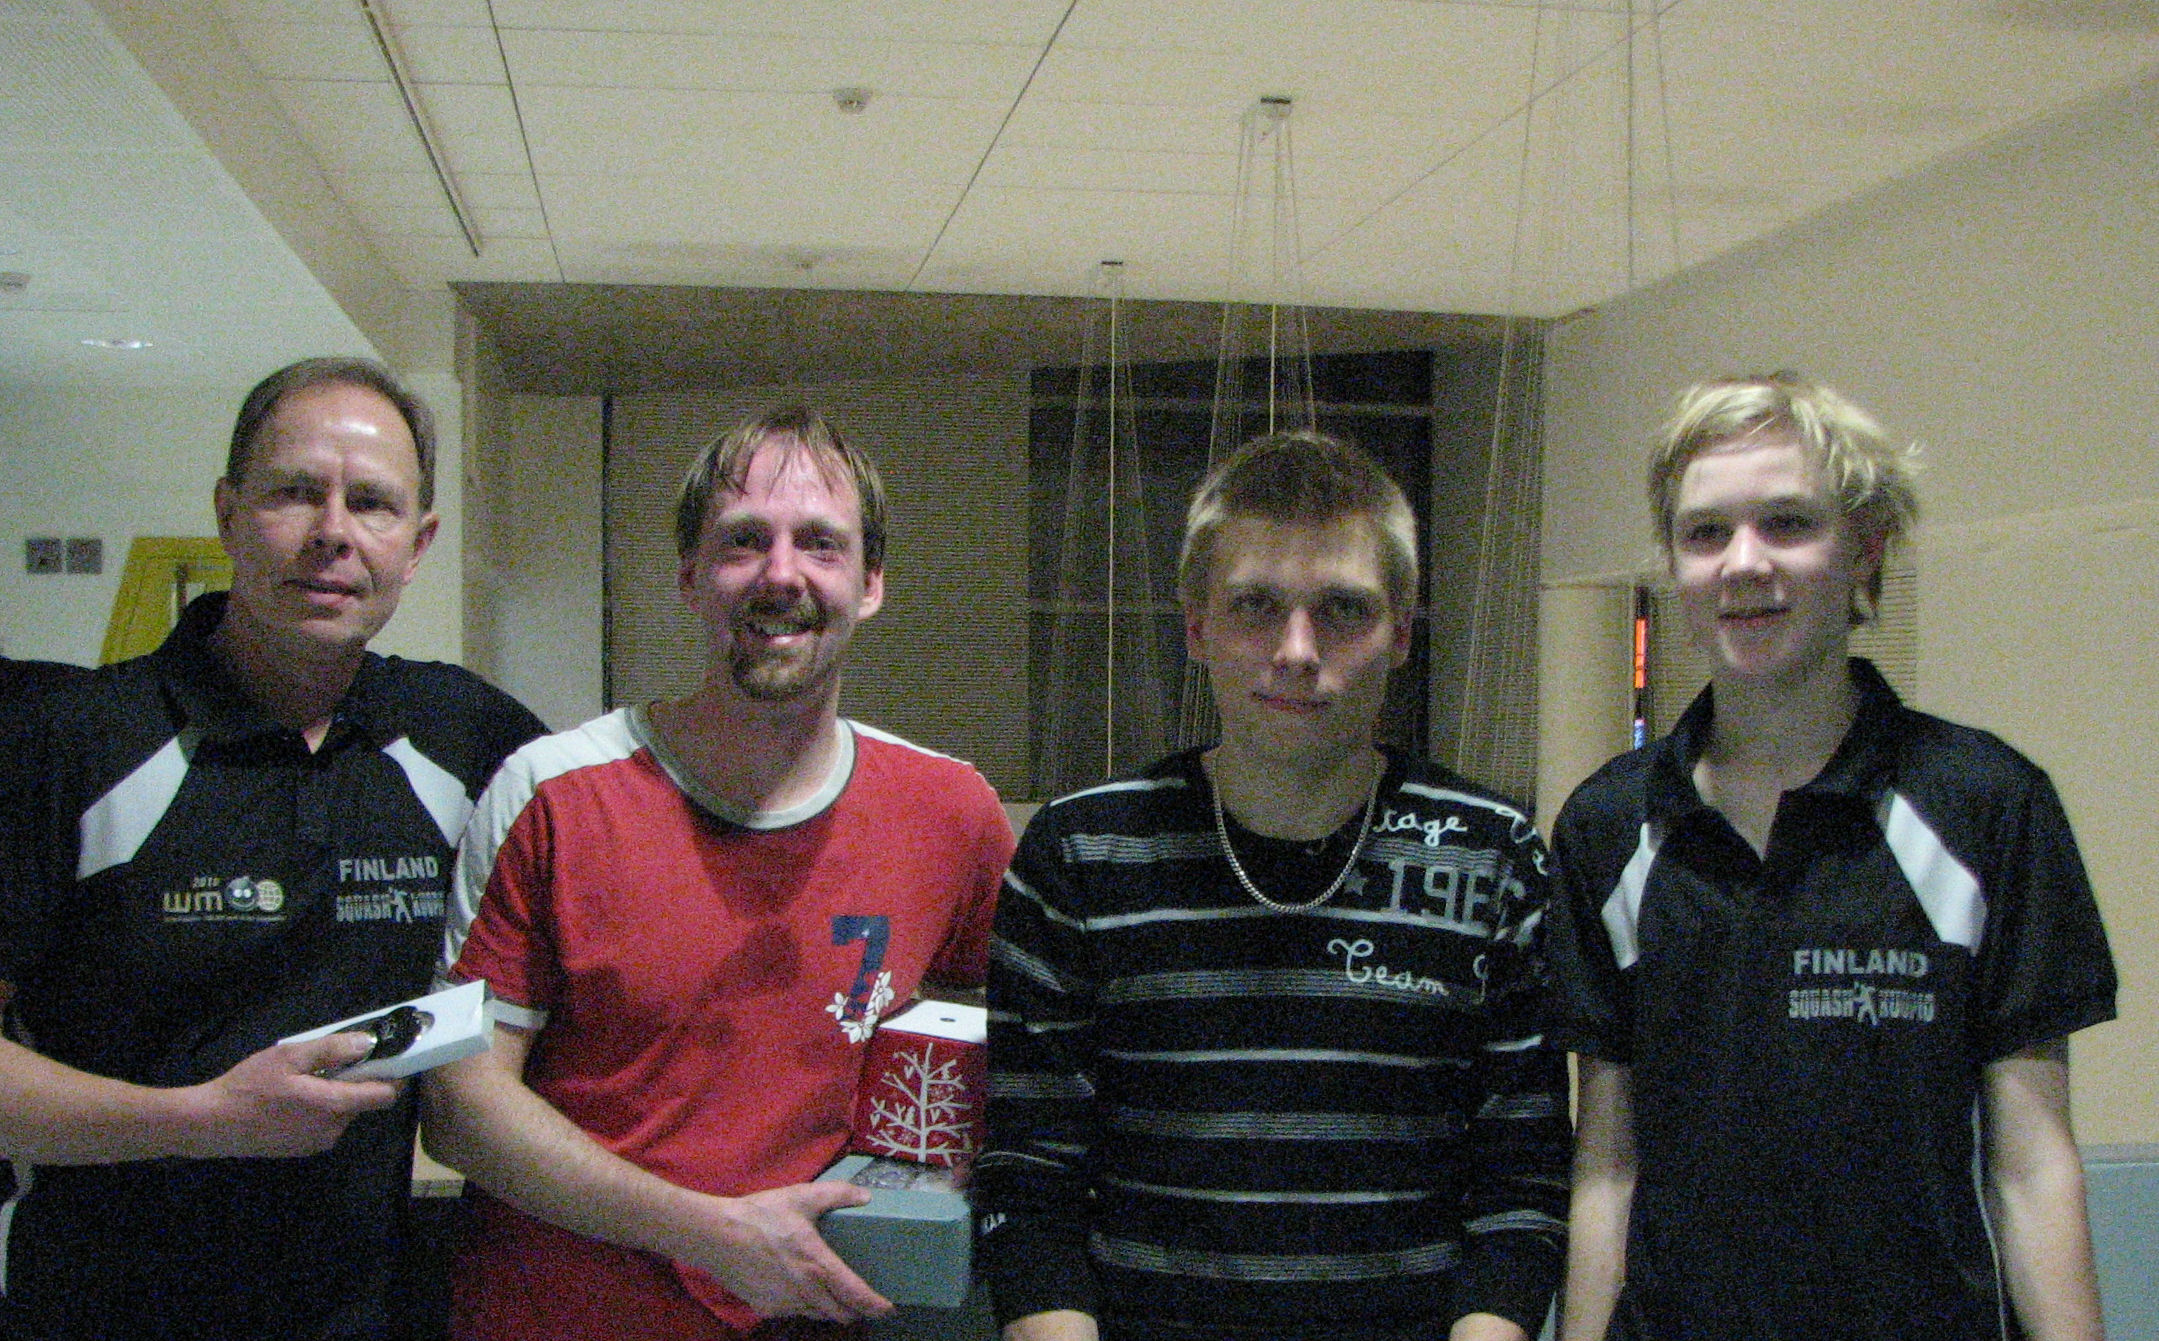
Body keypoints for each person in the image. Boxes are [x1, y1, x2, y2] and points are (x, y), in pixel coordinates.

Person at [423, 406, 1015, 1341]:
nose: (781, 573)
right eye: (744, 540)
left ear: (869, 583)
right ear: (690, 576)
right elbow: (459, 1107)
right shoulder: (553, 793)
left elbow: (1017, 1048)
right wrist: (714, 1233)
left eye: (820, 542)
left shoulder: (950, 813)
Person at [1545, 372, 2117, 1341]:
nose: (1743, 562)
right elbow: (1608, 1167)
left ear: (1864, 548)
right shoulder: (1607, 826)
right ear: (1674, 566)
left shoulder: (1985, 805)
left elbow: (2030, 1167)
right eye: (1704, 533)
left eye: (1786, 523)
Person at [974, 430, 1571, 1341]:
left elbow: (1519, 1195)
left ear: (1401, 633)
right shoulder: (1080, 855)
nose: (1296, 649)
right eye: (1255, 605)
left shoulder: (1493, 859)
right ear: (1196, 627)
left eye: (1342, 609)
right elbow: (1029, 1186)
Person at [0, 356, 546, 1339]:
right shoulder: (72, 742)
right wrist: (202, 1119)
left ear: (417, 543)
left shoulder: (465, 735)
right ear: (227, 513)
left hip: (366, 1312)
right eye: (295, 492)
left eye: (371, 503)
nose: (332, 531)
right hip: (97, 1312)